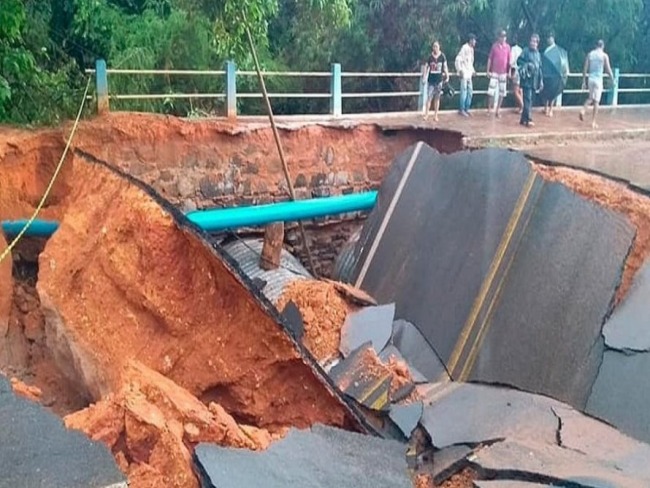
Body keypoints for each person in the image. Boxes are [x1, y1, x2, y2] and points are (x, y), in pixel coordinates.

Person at [580, 39, 615, 129]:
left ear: (596, 45)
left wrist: (584, 80)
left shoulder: (590, 54)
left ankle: (583, 110)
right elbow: (608, 69)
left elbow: (585, 68)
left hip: (590, 79)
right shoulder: (604, 56)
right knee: (596, 101)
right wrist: (612, 79)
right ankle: (593, 122)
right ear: (602, 46)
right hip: (598, 80)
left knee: (590, 98)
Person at [517, 33, 543, 127]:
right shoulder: (525, 51)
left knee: (531, 100)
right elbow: (519, 61)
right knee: (527, 98)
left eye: (534, 41)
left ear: (537, 43)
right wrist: (527, 64)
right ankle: (529, 119)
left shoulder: (538, 54)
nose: (532, 43)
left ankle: (523, 118)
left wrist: (541, 81)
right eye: (531, 41)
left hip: (535, 80)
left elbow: (540, 68)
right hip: (527, 79)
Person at [543, 33, 570, 117]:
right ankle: (546, 108)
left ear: (553, 38)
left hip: (555, 75)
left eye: (550, 38)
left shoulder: (558, 51)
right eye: (548, 38)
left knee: (554, 92)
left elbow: (564, 64)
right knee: (546, 91)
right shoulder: (547, 50)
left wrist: (566, 71)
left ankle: (550, 109)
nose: (548, 40)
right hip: (548, 75)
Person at [486, 30, 511, 118]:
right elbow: (490, 58)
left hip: (503, 73)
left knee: (502, 92)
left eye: (504, 36)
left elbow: (509, 61)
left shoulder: (508, 47)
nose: (502, 38)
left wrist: (509, 72)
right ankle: (489, 109)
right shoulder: (494, 46)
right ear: (498, 37)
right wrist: (488, 70)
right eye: (501, 36)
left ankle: (498, 110)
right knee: (490, 92)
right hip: (495, 72)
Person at [422, 41, 449, 122]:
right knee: (429, 98)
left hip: (439, 80)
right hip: (431, 80)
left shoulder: (442, 56)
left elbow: (445, 67)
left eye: (436, 46)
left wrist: (447, 76)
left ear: (439, 47)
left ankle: (436, 115)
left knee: (437, 98)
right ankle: (426, 114)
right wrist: (424, 77)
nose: (435, 48)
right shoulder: (430, 57)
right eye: (434, 46)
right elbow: (426, 67)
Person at [455, 34, 476, 117]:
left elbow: (470, 63)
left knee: (470, 92)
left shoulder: (471, 50)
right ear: (470, 40)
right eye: (474, 40)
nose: (475, 42)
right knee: (464, 92)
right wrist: (460, 70)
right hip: (464, 73)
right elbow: (458, 59)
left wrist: (473, 71)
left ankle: (467, 108)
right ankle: (462, 109)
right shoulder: (464, 48)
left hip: (469, 74)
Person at [509, 35, 524, 113]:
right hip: (522, 72)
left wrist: (511, 73)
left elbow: (511, 63)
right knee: (520, 90)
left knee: (515, 91)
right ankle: (521, 108)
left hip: (516, 71)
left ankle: (522, 106)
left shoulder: (512, 50)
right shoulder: (521, 49)